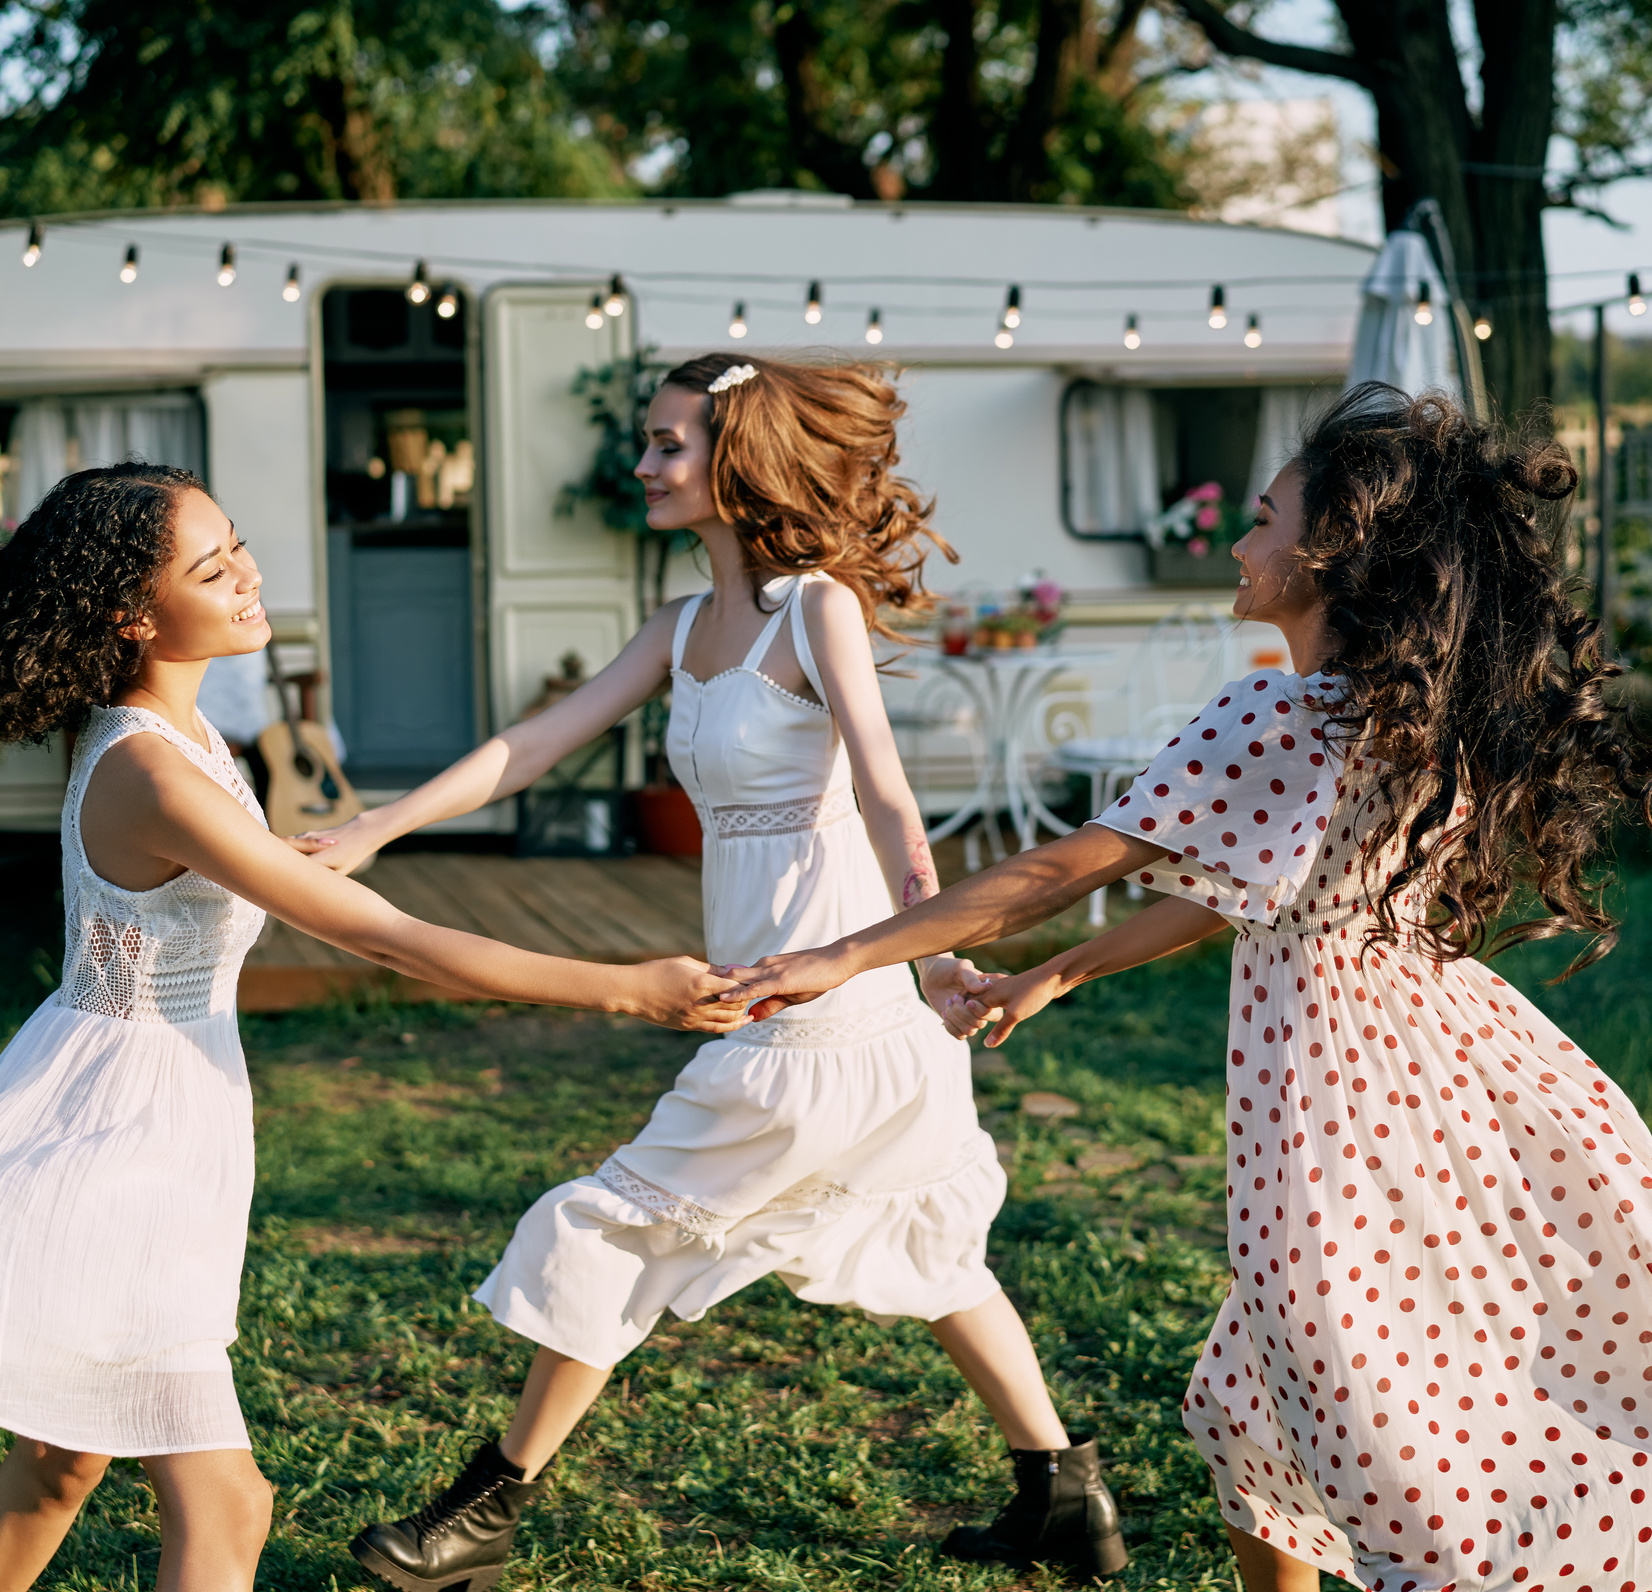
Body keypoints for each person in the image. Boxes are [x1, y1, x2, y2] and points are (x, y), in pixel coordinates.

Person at [726, 388, 1652, 1592]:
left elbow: (1054, 868)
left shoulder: (1275, 709)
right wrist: (1058, 972)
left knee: (1366, 1416)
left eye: (1261, 521)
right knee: (1258, 1400)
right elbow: (1239, 892)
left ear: (1332, 549)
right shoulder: (1400, 711)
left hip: (1342, 1097)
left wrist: (841, 953)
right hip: (1443, 1057)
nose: (1239, 544)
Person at [296, 354, 1129, 1590]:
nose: (642, 463)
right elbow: (527, 745)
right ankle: (1063, 1493)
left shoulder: (816, 609)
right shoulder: (681, 628)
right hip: (803, 1002)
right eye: (644, 441)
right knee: (930, 1249)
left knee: (617, 1228)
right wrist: (367, 832)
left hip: (826, 1009)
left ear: (734, 457)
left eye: (666, 444)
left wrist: (938, 946)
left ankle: (483, 1511)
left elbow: (892, 799)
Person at [0, 463, 748, 1592]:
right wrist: (627, 986)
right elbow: (390, 941)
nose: (247, 576)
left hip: (151, 1108)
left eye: (236, 544)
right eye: (211, 566)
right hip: (118, 1136)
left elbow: (213, 878)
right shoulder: (151, 765)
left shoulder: (183, 740)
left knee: (61, 1454)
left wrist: (323, 848)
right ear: (134, 615)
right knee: (222, 1503)